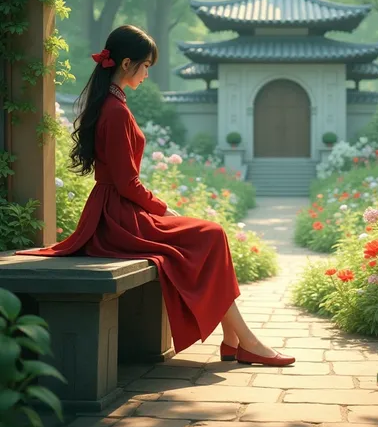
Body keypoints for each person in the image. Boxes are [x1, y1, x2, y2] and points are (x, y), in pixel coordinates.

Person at [19, 25, 295, 367]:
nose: (148, 73)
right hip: (117, 218)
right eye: (145, 65)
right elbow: (126, 183)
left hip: (118, 210)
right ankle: (242, 340)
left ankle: (235, 338)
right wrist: (163, 208)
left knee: (211, 235)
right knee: (210, 234)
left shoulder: (111, 104)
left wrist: (158, 209)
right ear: (125, 64)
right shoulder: (115, 111)